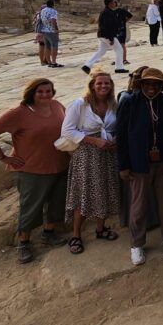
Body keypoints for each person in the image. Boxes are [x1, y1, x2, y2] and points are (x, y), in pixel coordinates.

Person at [0, 78, 69, 263]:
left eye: (48, 91)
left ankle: (48, 233)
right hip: (31, 169)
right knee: (31, 206)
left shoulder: (57, 105)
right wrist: (3, 157)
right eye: (40, 92)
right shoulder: (19, 112)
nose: (45, 95)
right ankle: (24, 243)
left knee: (57, 202)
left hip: (60, 164)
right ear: (31, 93)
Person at [116, 68, 163, 265]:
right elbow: (121, 136)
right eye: (147, 84)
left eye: (155, 84)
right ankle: (136, 244)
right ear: (141, 84)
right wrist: (123, 165)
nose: (151, 87)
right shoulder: (130, 102)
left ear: (161, 86)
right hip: (139, 163)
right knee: (139, 205)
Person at [62, 70, 120, 254]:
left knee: (104, 190)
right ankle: (76, 235)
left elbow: (116, 127)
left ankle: (101, 229)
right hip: (86, 155)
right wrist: (94, 141)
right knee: (84, 193)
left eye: (107, 83)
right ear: (92, 86)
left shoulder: (113, 104)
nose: (103, 86)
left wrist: (115, 140)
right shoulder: (80, 104)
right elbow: (67, 131)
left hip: (107, 153)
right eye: (99, 83)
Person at [82, 0, 129, 75]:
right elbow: (108, 26)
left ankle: (87, 65)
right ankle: (119, 68)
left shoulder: (105, 11)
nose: (115, 3)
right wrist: (111, 38)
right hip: (107, 35)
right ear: (110, 4)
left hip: (102, 35)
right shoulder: (108, 13)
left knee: (101, 51)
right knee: (119, 50)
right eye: (114, 2)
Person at [40, 0, 63, 68]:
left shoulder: (43, 10)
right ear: (53, 4)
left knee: (47, 47)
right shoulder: (53, 11)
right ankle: (54, 62)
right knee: (54, 47)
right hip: (51, 31)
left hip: (44, 30)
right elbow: (53, 21)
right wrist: (56, 29)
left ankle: (49, 62)